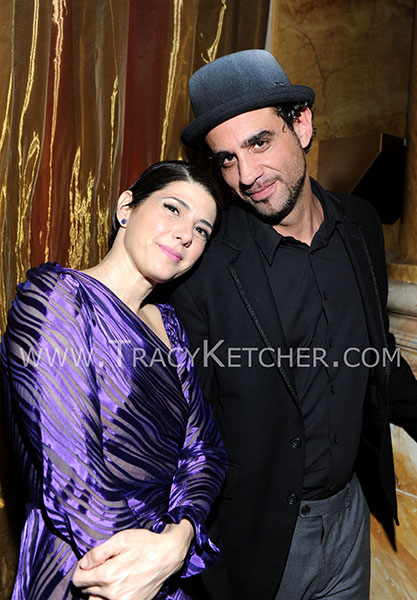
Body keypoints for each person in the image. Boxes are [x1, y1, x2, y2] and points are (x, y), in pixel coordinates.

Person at [68, 50, 417, 599]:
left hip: (350, 518)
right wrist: (173, 537)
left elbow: (376, 353)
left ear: (301, 125)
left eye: (259, 143)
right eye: (226, 159)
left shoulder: (361, 225)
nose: (247, 176)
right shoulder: (204, 266)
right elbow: (186, 426)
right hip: (259, 540)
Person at [1, 160, 227, 600]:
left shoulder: (169, 327)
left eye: (202, 229)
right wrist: (141, 572)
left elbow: (206, 452)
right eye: (173, 208)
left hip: (162, 564)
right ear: (126, 208)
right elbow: (75, 481)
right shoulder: (54, 298)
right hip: (84, 568)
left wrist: (178, 540)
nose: (186, 234)